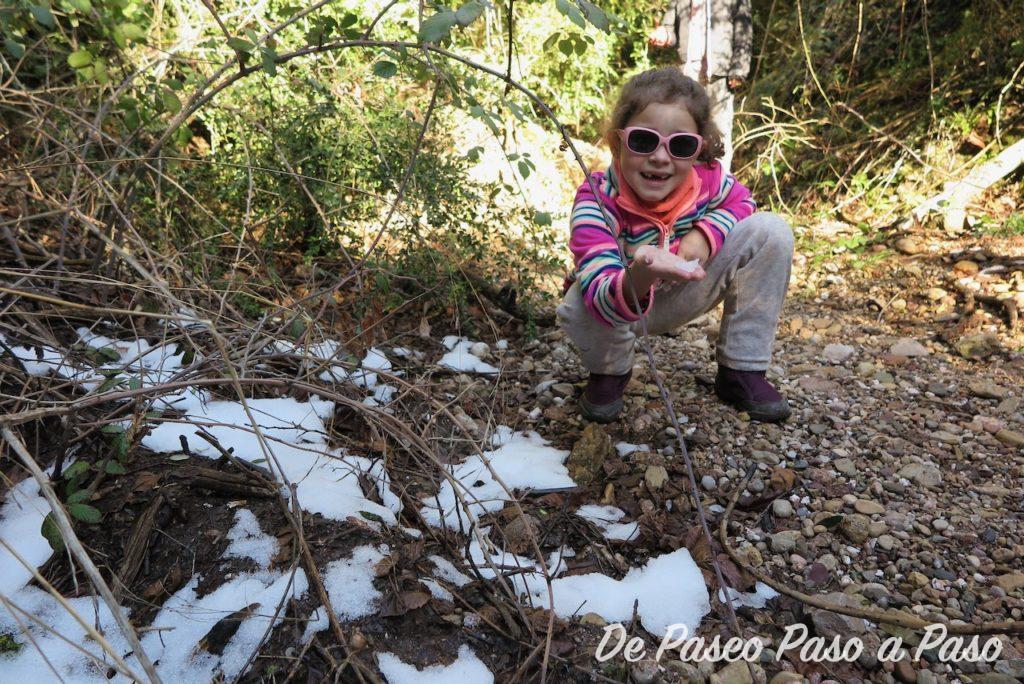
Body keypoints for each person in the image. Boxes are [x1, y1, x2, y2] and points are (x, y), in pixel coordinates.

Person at [556, 68, 792, 424]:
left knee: (772, 230)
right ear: (618, 143)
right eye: (643, 141)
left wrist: (705, 233)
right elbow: (599, 282)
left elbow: (743, 203)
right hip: (617, 304)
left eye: (680, 145)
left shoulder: (708, 180)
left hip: (685, 289)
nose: (661, 158)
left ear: (699, 150)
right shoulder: (597, 199)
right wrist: (640, 273)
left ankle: (741, 371)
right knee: (575, 304)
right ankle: (610, 371)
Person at [649, 0, 752, 172]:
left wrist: (739, 69)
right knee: (683, 130)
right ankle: (686, 183)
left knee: (720, 131)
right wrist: (664, 34)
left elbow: (744, 30)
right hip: (687, 75)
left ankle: (720, 184)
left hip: (719, 75)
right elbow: (671, 28)